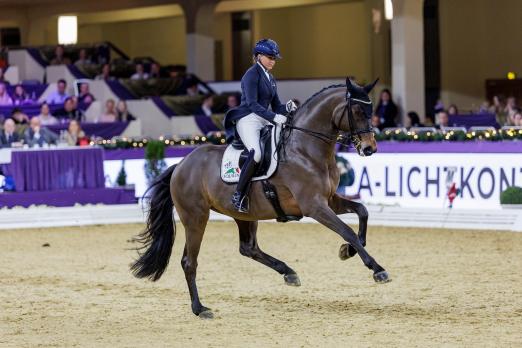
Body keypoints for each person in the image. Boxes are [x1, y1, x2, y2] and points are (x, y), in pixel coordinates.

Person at [223, 38, 295, 212]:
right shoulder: (251, 75)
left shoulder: (270, 78)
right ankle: (238, 195)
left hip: (263, 118)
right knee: (255, 154)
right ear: (258, 56)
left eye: (274, 58)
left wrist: (286, 108)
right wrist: (274, 117)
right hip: (248, 118)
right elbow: (253, 104)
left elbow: (276, 105)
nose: (272, 61)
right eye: (270, 57)